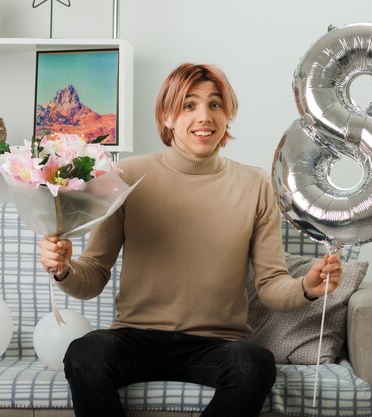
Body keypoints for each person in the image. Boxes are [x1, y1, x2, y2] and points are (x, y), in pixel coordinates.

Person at [38, 63, 343, 417]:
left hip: (217, 345)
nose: (204, 116)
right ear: (167, 117)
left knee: (255, 363)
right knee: (84, 353)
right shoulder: (126, 175)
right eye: (188, 105)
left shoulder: (257, 184)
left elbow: (271, 284)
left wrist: (306, 286)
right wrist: (62, 269)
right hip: (135, 337)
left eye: (215, 105)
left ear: (227, 116)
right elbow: (92, 276)